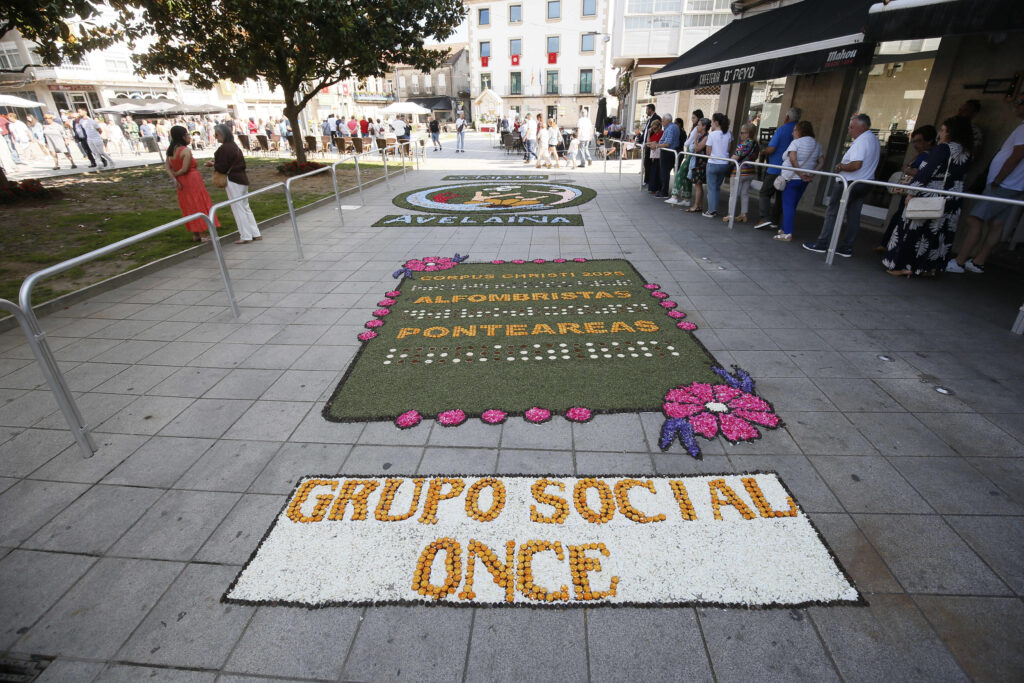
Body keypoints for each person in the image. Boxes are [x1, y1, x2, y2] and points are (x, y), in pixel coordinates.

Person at [883, 116, 973, 276]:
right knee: (939, 233)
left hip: (931, 193)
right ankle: (927, 268)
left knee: (914, 228)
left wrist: (912, 192)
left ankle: (904, 265)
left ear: (951, 132)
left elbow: (926, 171)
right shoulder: (966, 152)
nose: (940, 134)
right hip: (952, 196)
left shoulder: (944, 149)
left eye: (943, 130)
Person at [947, 95, 1024, 274]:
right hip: (1012, 184)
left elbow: (1017, 156)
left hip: (1005, 184)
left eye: (1020, 103)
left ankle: (960, 261)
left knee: (974, 219)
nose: (1016, 105)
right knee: (997, 223)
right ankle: (978, 261)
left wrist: (998, 179)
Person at [803, 113, 880, 257]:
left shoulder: (862, 141)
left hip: (850, 183)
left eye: (852, 127)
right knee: (853, 215)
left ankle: (822, 243)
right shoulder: (873, 140)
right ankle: (846, 247)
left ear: (862, 127)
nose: (849, 131)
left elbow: (856, 164)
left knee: (833, 212)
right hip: (864, 182)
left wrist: (840, 167)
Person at [875, 125, 937, 252]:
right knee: (899, 217)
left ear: (929, 141)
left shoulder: (928, 156)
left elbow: (922, 173)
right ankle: (888, 245)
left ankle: (889, 246)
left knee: (901, 219)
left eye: (919, 141)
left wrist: (907, 170)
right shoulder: (923, 154)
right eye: (914, 141)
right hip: (910, 191)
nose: (915, 145)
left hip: (915, 192)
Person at [206, 123, 261, 244]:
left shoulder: (224, 148)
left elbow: (222, 167)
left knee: (238, 208)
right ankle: (255, 233)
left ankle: (246, 236)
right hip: (241, 178)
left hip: (233, 179)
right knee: (245, 207)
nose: (215, 137)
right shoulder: (234, 146)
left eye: (217, 134)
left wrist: (213, 164)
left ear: (223, 135)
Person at [165, 125, 218, 242]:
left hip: (181, 182)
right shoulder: (185, 151)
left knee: (188, 205)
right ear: (183, 136)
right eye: (187, 135)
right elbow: (185, 169)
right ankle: (203, 234)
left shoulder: (170, 151)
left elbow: (168, 167)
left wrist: (174, 179)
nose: (189, 137)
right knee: (197, 204)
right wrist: (177, 175)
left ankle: (196, 234)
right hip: (191, 180)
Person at [774, 120, 823, 242]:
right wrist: (811, 174)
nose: (793, 133)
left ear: (801, 131)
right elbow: (821, 162)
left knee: (788, 205)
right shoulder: (817, 145)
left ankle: (787, 233)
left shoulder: (796, 143)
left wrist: (800, 173)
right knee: (792, 205)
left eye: (795, 130)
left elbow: (792, 159)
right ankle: (784, 229)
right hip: (804, 179)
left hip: (792, 178)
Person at [755, 107, 800, 230]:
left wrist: (763, 151)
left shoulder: (782, 129)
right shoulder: (800, 131)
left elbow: (772, 148)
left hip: (776, 167)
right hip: (790, 171)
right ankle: (775, 220)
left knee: (765, 192)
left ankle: (764, 217)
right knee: (780, 196)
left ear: (787, 117)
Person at [723, 123, 759, 223]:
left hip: (739, 172)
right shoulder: (756, 144)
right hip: (750, 172)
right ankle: (743, 215)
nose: (740, 135)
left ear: (748, 134)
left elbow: (735, 158)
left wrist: (729, 162)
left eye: (742, 133)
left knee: (734, 194)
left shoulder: (744, 144)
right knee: (745, 193)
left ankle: (730, 215)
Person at [667, 110, 703, 206]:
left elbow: (688, 142)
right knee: (687, 176)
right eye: (692, 117)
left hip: (691, 152)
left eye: (694, 118)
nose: (692, 119)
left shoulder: (696, 129)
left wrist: (687, 143)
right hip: (691, 152)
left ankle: (675, 196)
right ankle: (686, 199)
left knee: (680, 173)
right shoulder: (696, 129)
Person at [703, 113, 732, 218]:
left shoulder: (712, 135)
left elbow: (708, 151)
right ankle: (714, 208)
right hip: (724, 163)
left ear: (716, 122)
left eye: (712, 121)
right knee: (717, 187)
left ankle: (711, 210)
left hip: (713, 163)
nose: (711, 123)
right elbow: (729, 149)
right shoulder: (728, 133)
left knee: (711, 188)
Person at [653, 114, 681, 200]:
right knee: (665, 172)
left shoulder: (671, 128)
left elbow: (667, 143)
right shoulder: (672, 127)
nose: (662, 122)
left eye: (663, 120)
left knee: (664, 173)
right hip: (671, 152)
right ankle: (663, 190)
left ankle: (664, 191)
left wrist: (657, 146)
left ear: (668, 120)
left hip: (668, 152)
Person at [687, 118, 711, 213]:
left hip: (701, 163)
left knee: (698, 185)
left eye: (699, 125)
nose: (697, 127)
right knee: (697, 185)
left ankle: (696, 205)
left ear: (704, 126)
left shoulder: (706, 137)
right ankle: (699, 205)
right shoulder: (702, 136)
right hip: (697, 162)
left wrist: (695, 138)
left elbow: (697, 149)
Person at [639, 104, 658, 188]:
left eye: (647, 110)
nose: (646, 112)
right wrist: (640, 140)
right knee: (646, 163)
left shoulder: (656, 118)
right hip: (647, 143)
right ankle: (647, 180)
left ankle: (648, 180)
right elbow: (645, 131)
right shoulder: (649, 119)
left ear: (651, 109)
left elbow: (654, 131)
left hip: (651, 144)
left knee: (648, 163)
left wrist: (648, 143)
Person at [644, 117, 664, 193]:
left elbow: (656, 142)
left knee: (658, 172)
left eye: (655, 128)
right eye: (653, 129)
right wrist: (649, 133)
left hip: (660, 155)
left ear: (659, 127)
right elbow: (648, 142)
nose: (654, 130)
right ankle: (653, 188)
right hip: (655, 156)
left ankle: (658, 188)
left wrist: (649, 143)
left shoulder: (662, 133)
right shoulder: (655, 134)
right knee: (653, 172)